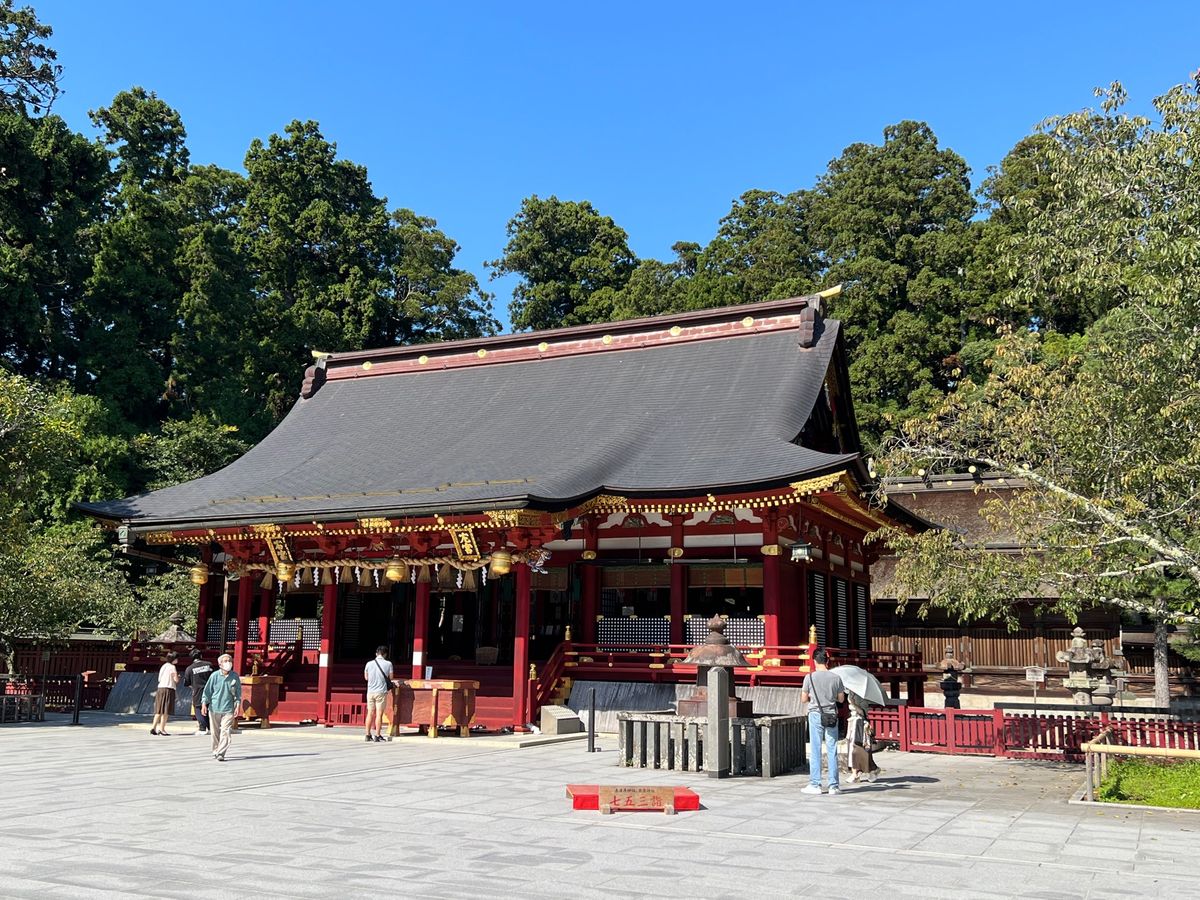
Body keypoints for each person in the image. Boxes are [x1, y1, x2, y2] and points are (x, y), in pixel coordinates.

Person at [800, 648, 845, 795]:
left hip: (815, 714)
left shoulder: (809, 677)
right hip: (831, 714)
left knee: (816, 749)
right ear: (827, 661)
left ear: (814, 661)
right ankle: (834, 785)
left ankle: (815, 784)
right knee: (832, 749)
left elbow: (803, 699)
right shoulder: (836, 678)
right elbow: (841, 699)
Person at [200, 653, 242, 762]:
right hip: (214, 708)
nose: (228, 663)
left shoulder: (235, 676)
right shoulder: (214, 676)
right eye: (225, 661)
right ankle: (215, 750)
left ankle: (221, 752)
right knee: (215, 732)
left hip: (228, 709)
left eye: (230, 660)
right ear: (220, 664)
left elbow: (238, 693)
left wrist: (237, 706)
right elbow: (207, 691)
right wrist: (204, 703)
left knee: (226, 731)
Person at [363, 645, 394, 743]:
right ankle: (377, 735)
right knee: (379, 714)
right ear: (385, 654)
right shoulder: (388, 664)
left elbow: (366, 677)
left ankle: (367, 735)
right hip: (381, 691)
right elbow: (391, 677)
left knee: (370, 713)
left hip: (370, 691)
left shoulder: (368, 664)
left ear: (376, 653)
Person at [182, 648, 215, 735]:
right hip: (210, 690)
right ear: (201, 656)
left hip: (198, 691)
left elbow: (186, 682)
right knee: (209, 708)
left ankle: (203, 727)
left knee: (198, 708)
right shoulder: (209, 665)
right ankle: (211, 727)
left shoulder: (189, 669)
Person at [150, 650, 179, 735]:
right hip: (168, 689)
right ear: (173, 659)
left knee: (158, 710)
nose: (177, 660)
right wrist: (178, 677)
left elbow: (159, 679)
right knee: (165, 711)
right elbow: (176, 679)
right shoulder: (172, 667)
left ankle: (153, 727)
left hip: (160, 688)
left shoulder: (164, 666)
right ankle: (162, 729)